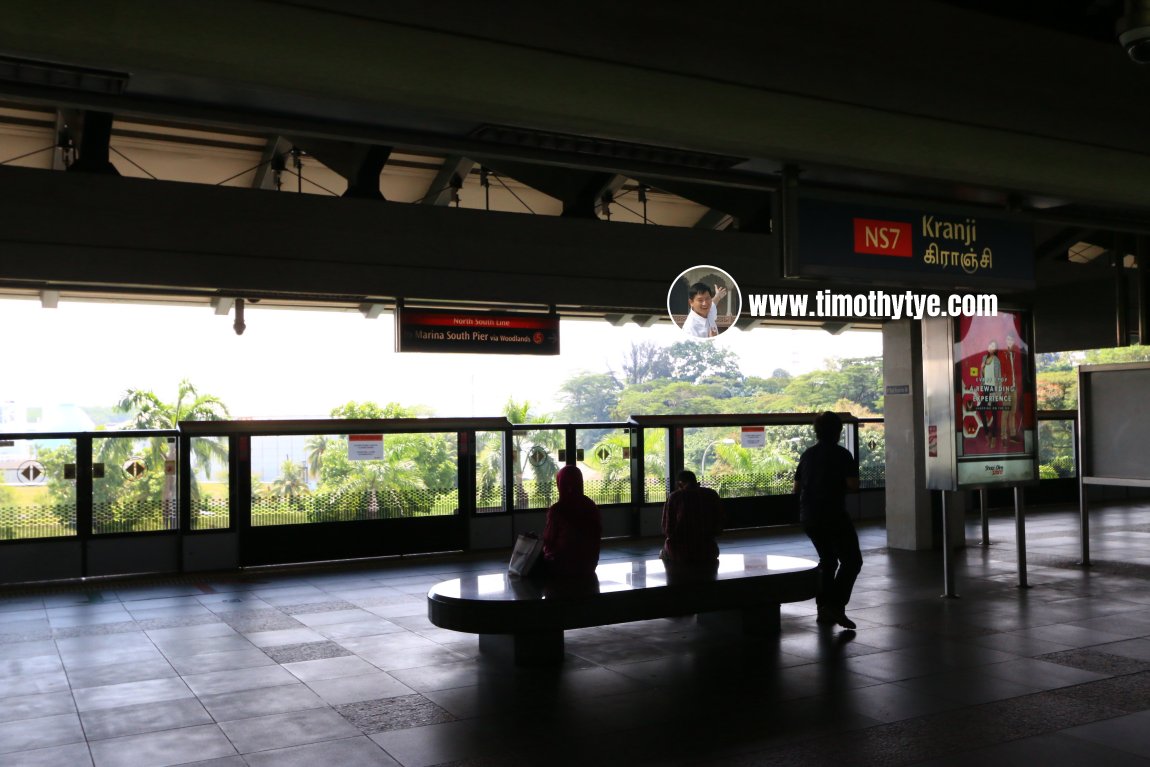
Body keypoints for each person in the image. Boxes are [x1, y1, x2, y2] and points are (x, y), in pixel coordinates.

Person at [794, 411, 861, 630]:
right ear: (839, 432)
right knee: (852, 561)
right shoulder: (842, 454)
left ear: (816, 432)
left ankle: (823, 609)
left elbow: (796, 488)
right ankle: (835, 605)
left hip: (809, 516)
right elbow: (853, 485)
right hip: (833, 514)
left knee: (828, 560)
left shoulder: (807, 454)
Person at [540, 466, 602, 578]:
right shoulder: (591, 506)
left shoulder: (558, 509)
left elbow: (548, 540)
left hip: (562, 567)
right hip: (588, 566)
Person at [661, 469, 724, 565]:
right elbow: (720, 521)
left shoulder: (675, 497)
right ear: (695, 481)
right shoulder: (711, 494)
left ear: (680, 484)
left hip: (680, 553)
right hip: (708, 551)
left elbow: (667, 529)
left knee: (663, 553)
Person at [979, 339, 1003, 450]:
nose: (991, 347)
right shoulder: (984, 358)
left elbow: (999, 377)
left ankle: (994, 437)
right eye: (990, 345)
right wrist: (982, 368)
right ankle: (987, 432)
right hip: (986, 388)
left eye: (994, 346)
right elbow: (982, 376)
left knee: (994, 412)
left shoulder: (997, 360)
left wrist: (998, 392)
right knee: (981, 409)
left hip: (993, 388)